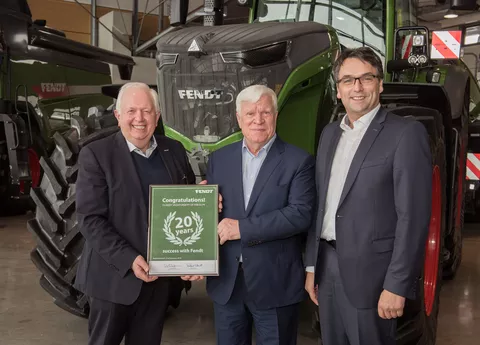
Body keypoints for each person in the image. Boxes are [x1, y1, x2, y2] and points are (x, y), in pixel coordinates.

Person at [304, 47, 432, 345]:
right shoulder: (329, 134)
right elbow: (320, 205)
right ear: (338, 90)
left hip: (374, 279)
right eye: (348, 80)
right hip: (328, 268)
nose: (357, 87)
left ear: (380, 84)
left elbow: (412, 217)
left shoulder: (404, 134)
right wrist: (312, 266)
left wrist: (397, 285)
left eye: (366, 78)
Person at [74, 82, 196, 345]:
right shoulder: (96, 155)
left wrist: (191, 260)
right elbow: (90, 218)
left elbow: (186, 202)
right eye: (131, 111)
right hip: (112, 279)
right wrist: (129, 259)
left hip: (158, 281)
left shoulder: (173, 150)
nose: (139, 119)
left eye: (146, 111)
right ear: (118, 116)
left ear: (157, 116)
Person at [202, 84, 316, 345]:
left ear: (275, 116)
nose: (258, 120)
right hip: (227, 283)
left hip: (274, 283)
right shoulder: (219, 159)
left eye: (265, 112)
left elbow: (300, 214)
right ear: (239, 118)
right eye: (250, 113)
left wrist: (241, 228)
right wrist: (203, 202)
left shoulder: (299, 161)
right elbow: (212, 211)